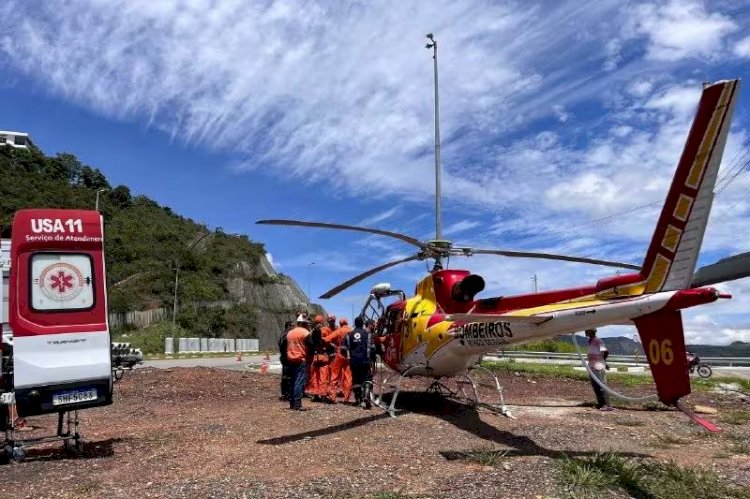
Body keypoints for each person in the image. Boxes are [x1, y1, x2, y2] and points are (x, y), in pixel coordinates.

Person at [344, 316, 376, 409]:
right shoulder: (368, 334)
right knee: (367, 378)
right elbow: (373, 348)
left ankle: (358, 400)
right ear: (363, 324)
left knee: (356, 380)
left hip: (354, 361)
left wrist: (348, 358)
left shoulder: (348, 335)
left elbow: (343, 348)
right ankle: (366, 396)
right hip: (365, 360)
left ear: (355, 323)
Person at [285, 315, 314, 411]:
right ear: (302, 323)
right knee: (299, 381)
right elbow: (311, 346)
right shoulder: (305, 332)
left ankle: (292, 403)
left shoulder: (290, 333)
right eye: (306, 323)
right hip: (301, 359)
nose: (307, 325)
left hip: (291, 359)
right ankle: (297, 404)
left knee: (293, 381)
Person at [326, 317, 352, 402]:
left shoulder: (339, 331)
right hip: (349, 355)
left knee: (334, 375)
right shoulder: (351, 330)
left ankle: (332, 396)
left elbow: (327, 339)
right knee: (348, 376)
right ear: (347, 323)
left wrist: (334, 345)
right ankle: (346, 397)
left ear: (340, 324)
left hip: (340, 353)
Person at [585, 328, 612, 411]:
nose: (586, 332)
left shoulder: (598, 340)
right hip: (592, 365)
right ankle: (600, 403)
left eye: (587, 331)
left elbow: (605, 351)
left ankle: (605, 404)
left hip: (598, 365)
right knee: (595, 384)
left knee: (601, 384)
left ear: (592, 331)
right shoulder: (590, 341)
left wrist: (603, 361)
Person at [278, 320, 294, 401]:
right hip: (286, 357)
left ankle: (284, 393)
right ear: (289, 326)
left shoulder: (282, 334)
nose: (293, 327)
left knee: (285, 376)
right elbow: (284, 346)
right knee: (288, 376)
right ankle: (287, 394)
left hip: (283, 357)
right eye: (292, 325)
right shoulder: (287, 334)